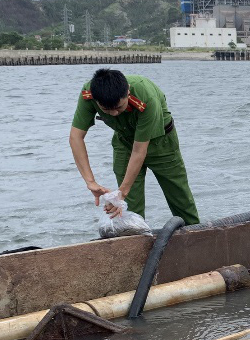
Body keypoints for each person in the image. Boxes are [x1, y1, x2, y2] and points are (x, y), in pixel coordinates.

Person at [69, 68, 200, 225]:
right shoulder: (89, 94)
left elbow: (139, 150)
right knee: (129, 209)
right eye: (106, 110)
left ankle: (196, 238)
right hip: (124, 142)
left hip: (161, 143)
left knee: (180, 199)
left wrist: (122, 191)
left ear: (128, 92)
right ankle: (136, 241)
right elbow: (75, 137)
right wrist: (90, 181)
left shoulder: (146, 97)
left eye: (119, 107)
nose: (114, 114)